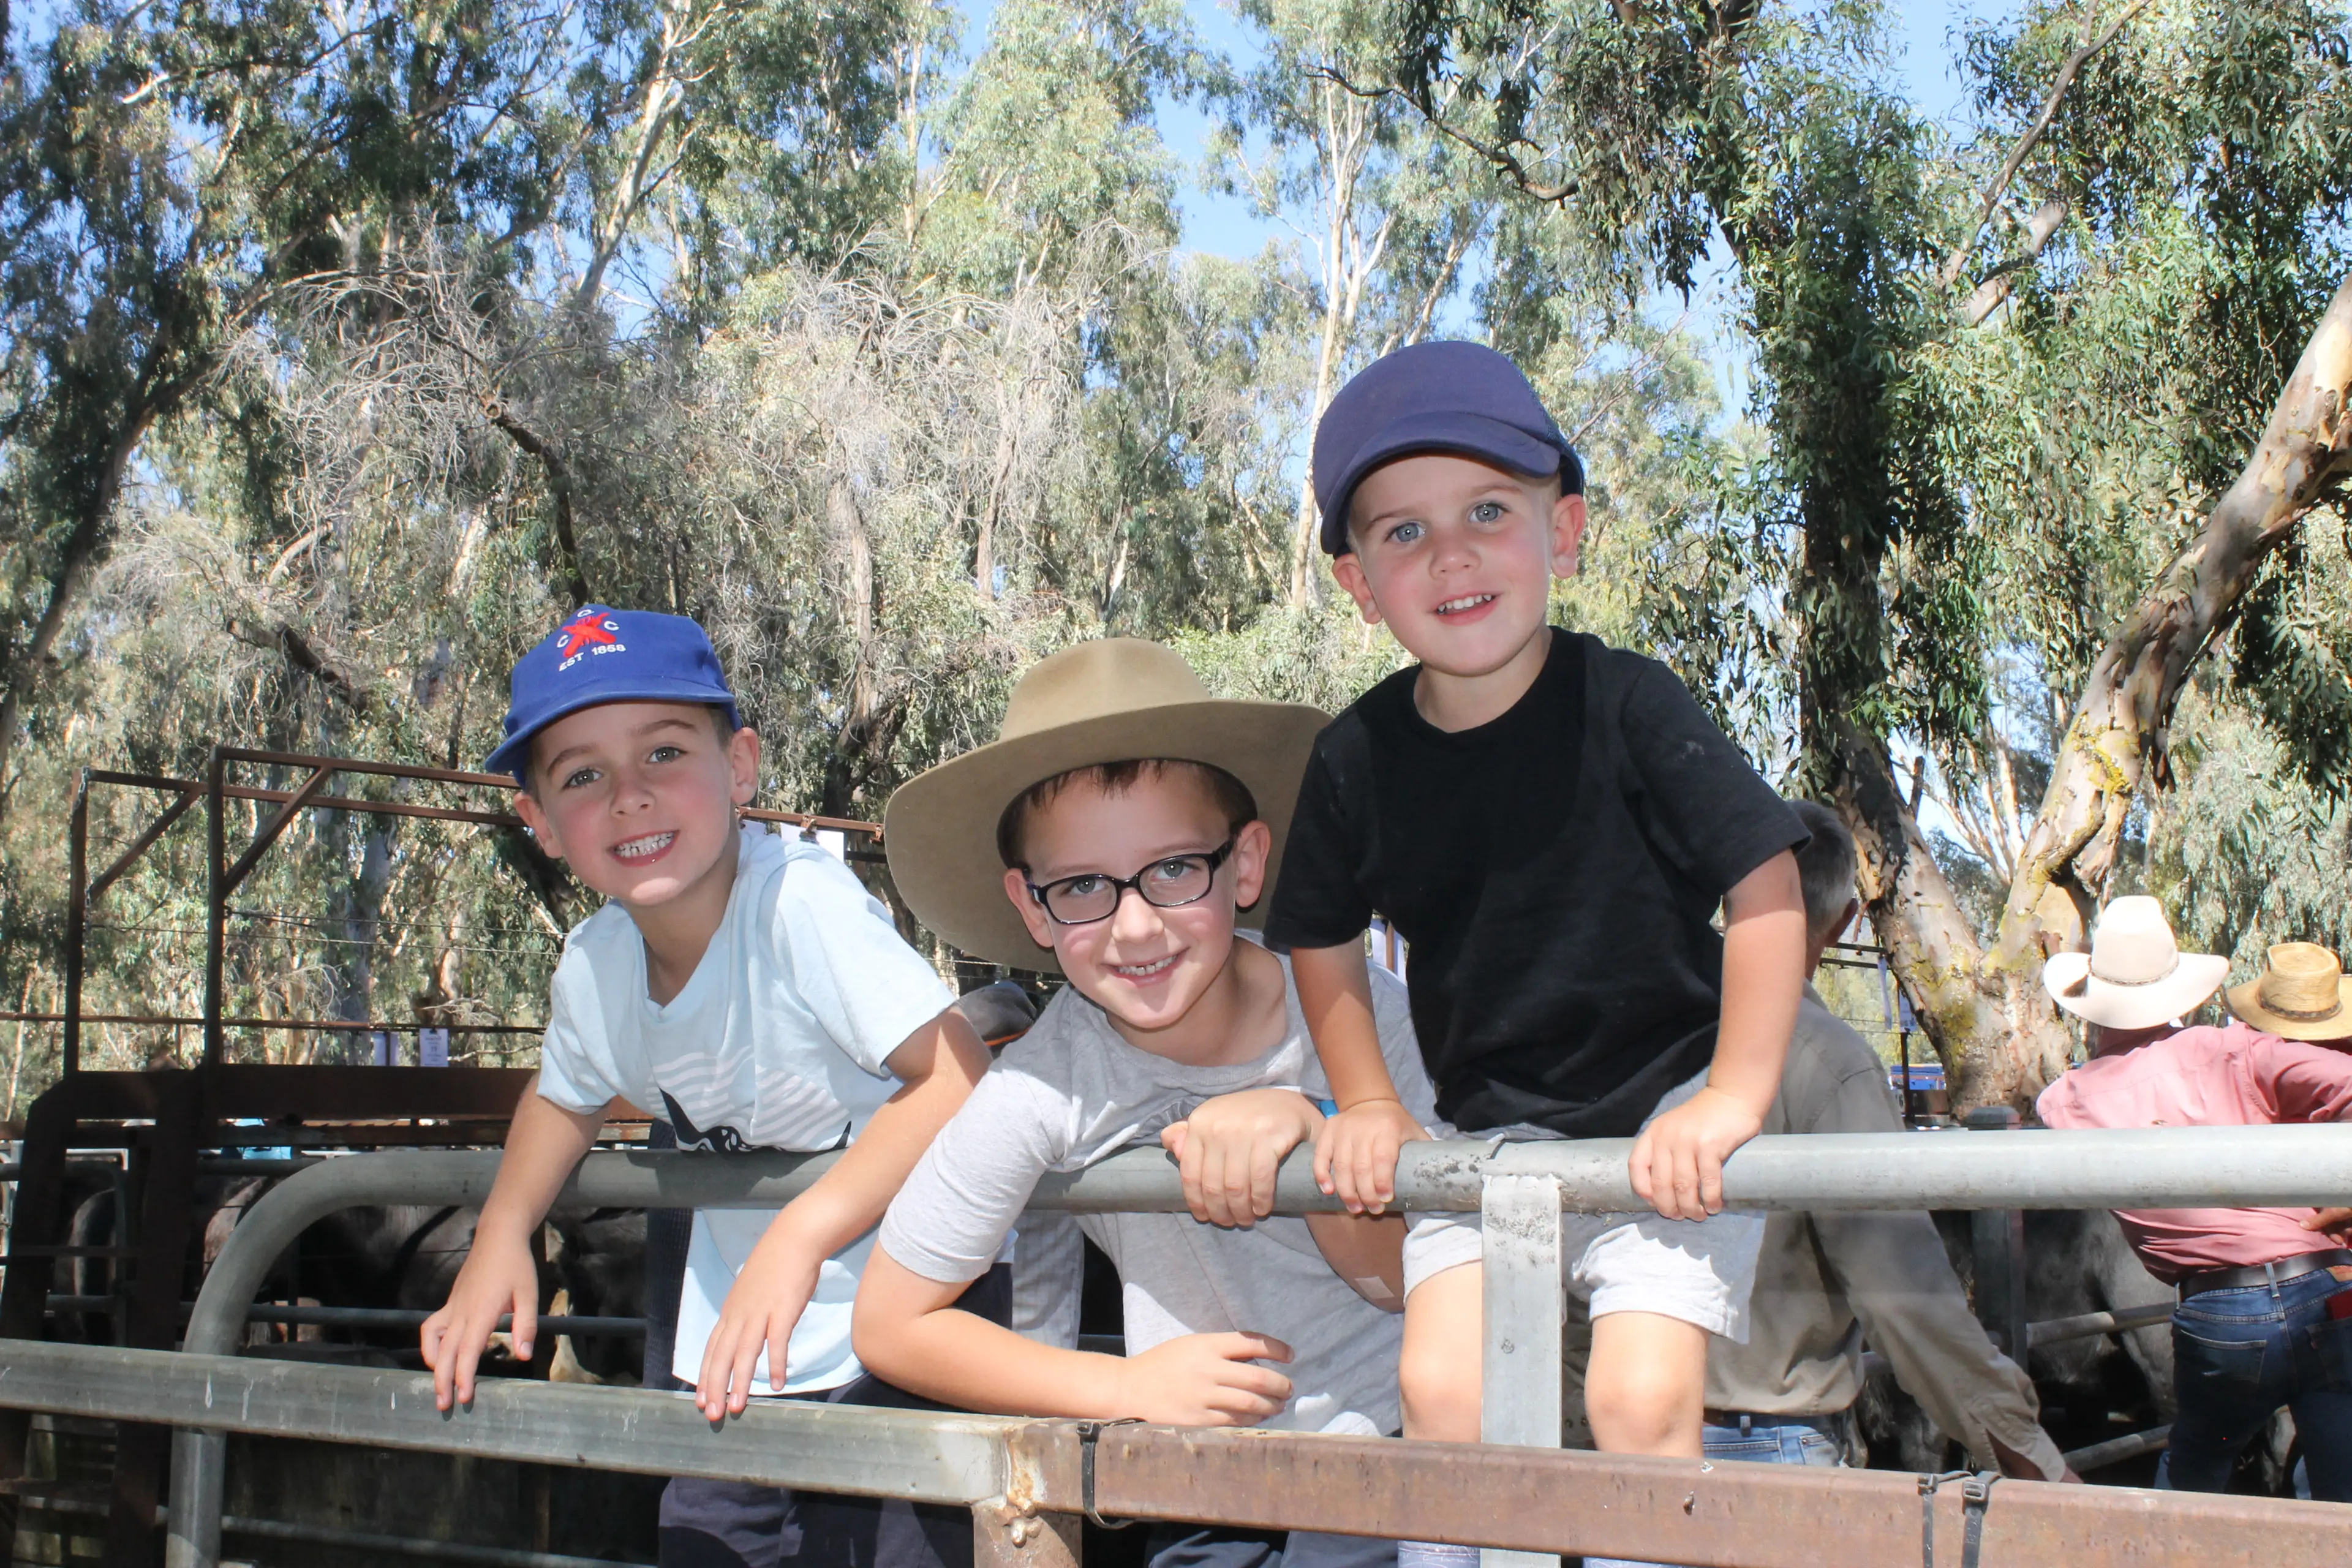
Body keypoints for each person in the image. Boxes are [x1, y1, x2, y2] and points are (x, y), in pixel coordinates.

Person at [1261, 341, 1811, 1568]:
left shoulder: (1629, 703)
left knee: (1636, 1401)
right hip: (1490, 1124)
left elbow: (1768, 886)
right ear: (1358, 585)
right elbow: (1316, 933)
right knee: (1445, 1394)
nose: (1448, 554)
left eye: (1488, 512)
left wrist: (1730, 1094)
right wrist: (1365, 1097)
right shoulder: (1355, 758)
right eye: (1401, 533)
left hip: (1665, 1107)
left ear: (1561, 533)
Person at [418, 605, 992, 1568]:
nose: (631, 798)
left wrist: (803, 1232)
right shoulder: (597, 965)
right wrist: (502, 1235)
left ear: (739, 768)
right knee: (705, 1544)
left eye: (665, 752)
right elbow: (562, 1099)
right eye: (583, 776)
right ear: (541, 822)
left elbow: (957, 1076)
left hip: (905, 1316)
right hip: (740, 1339)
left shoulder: (798, 905)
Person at [854, 638, 1438, 1568]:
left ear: (1245, 864)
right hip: (1195, 1491)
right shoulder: (1044, 1083)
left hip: (1393, 1468)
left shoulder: (1358, 1018)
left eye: (1174, 869)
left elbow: (1424, 1283)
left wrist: (1314, 1137)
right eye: (1083, 886)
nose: (1135, 925)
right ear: (1033, 908)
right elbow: (889, 1323)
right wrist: (1123, 1387)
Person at [1682, 800, 2067, 1480]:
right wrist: (2028, 1455)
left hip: (1631, 1431)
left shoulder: (1646, 1037)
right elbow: (1905, 1296)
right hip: (1768, 1444)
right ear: (1846, 921)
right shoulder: (1828, 1061)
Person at [2037, 900, 2352, 1501]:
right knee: (2343, 1483)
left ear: (2090, 1000)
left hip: (2221, 1313)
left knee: (2192, 1477)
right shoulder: (2235, 1052)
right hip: (2328, 1287)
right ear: (2178, 991)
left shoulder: (2067, 1102)